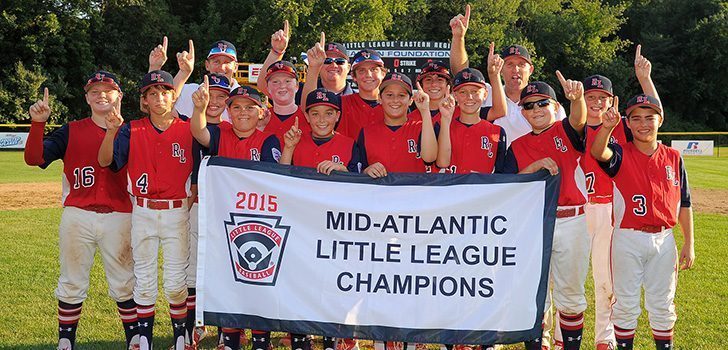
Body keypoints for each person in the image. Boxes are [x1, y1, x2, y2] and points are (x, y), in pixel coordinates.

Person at [24, 72, 138, 350]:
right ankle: (66, 340)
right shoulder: (71, 129)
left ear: (119, 96)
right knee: (72, 280)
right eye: (95, 91)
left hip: (120, 214)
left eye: (108, 90)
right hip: (78, 213)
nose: (102, 95)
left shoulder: (133, 131)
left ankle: (134, 338)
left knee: (124, 281)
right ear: (86, 97)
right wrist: (38, 124)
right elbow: (34, 158)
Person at [590, 94, 694, 350]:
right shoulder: (619, 153)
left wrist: (689, 243)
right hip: (628, 238)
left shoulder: (674, 157)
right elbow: (597, 151)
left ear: (660, 120)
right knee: (625, 303)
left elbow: (685, 203)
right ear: (628, 123)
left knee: (663, 303)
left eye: (649, 117)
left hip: (664, 238)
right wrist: (606, 127)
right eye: (636, 118)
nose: (643, 124)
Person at [98, 69, 192, 350]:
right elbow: (106, 162)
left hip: (176, 211)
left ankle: (179, 339)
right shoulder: (131, 128)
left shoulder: (189, 128)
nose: (159, 97)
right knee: (145, 279)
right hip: (143, 211)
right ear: (145, 101)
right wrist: (112, 130)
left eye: (164, 92)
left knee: (176, 281)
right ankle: (145, 340)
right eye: (152, 93)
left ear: (173, 96)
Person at [189, 78, 281, 350]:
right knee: (227, 281)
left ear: (262, 112)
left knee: (259, 281)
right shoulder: (221, 133)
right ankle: (230, 339)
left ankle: (261, 339)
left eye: (250, 108)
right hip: (224, 221)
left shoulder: (268, 140)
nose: (243, 112)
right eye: (237, 107)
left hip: (258, 221)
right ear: (229, 111)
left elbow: (275, 179)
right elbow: (199, 133)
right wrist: (199, 109)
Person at [503, 75, 588, 350]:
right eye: (529, 105)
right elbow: (506, 186)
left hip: (571, 218)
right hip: (534, 222)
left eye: (542, 103)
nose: (536, 109)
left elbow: (578, 120)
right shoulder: (517, 146)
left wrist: (578, 99)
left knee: (571, 295)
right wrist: (533, 167)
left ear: (554, 106)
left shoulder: (566, 130)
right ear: (522, 112)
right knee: (535, 294)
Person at [448, 4, 566, 146]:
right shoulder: (488, 94)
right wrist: (458, 37)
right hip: (492, 166)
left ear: (531, 70)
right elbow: (462, 75)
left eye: (521, 65)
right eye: (509, 64)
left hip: (536, 166)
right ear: (501, 68)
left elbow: (563, 139)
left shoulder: (545, 101)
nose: (515, 69)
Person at [436, 43, 507, 175]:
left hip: (480, 194)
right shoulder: (442, 126)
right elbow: (442, 163)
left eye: (475, 91)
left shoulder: (497, 132)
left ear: (485, 94)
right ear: (455, 96)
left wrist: (494, 75)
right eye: (463, 92)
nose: (469, 97)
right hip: (449, 192)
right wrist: (445, 121)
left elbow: (500, 177)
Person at [279, 88, 361, 174]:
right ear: (307, 116)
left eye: (328, 114)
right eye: (315, 114)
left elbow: (356, 181)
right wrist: (289, 148)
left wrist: (343, 170)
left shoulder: (350, 145)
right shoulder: (295, 141)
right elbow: (282, 178)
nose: (322, 120)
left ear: (337, 116)